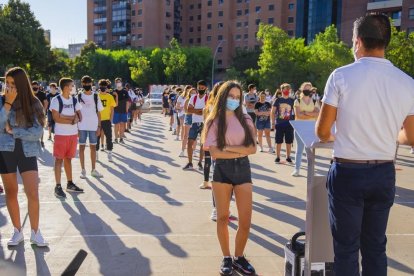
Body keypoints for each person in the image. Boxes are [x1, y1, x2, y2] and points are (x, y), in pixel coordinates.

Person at [316, 14, 414, 276]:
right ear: (386, 42)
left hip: (348, 172)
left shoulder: (341, 76)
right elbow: (411, 137)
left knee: (346, 249)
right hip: (383, 172)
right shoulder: (407, 83)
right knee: (375, 247)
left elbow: (322, 131)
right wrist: (386, 134)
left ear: (357, 42)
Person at [202, 80, 257, 276]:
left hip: (243, 170)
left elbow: (253, 149)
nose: (234, 100)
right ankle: (226, 257)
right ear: (223, 97)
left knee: (245, 221)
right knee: (223, 218)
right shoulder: (213, 121)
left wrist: (229, 147)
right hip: (222, 171)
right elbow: (215, 153)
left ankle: (239, 257)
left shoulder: (246, 118)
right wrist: (239, 151)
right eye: (231, 96)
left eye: (237, 97)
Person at [0, 67, 48, 247]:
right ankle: (17, 231)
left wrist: (14, 131)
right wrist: (8, 104)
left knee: (32, 192)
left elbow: (37, 132)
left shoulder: (33, 102)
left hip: (27, 152)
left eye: (13, 84)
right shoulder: (1, 101)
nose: (9, 87)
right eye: (7, 83)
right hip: (5, 152)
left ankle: (35, 232)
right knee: (11, 192)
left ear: (21, 84)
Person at [50, 77, 84, 198]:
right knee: (59, 160)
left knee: (68, 159)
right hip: (61, 135)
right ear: (65, 87)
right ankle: (58, 186)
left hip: (73, 135)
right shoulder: (56, 100)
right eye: (71, 85)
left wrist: (66, 116)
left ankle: (69, 183)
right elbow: (56, 118)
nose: (73, 87)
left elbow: (80, 116)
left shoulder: (74, 100)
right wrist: (71, 119)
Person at [77, 76, 104, 178]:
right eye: (85, 83)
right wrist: (77, 128)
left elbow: (99, 113)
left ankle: (93, 170)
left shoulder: (96, 96)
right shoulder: (78, 96)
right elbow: (76, 113)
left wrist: (99, 127)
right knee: (82, 148)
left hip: (93, 126)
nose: (87, 85)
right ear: (82, 84)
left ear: (91, 84)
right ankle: (83, 170)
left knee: (93, 148)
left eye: (89, 83)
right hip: (81, 126)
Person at [291, 82, 320, 176]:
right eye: (306, 88)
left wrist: (305, 113)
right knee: (299, 149)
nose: (307, 90)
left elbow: (318, 114)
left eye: (309, 88)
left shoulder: (315, 101)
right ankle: (297, 169)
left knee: (310, 150)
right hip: (299, 127)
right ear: (302, 89)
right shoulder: (297, 101)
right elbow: (298, 115)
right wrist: (311, 114)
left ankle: (311, 170)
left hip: (311, 127)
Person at [183, 80, 208, 170]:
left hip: (204, 124)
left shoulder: (208, 98)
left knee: (202, 144)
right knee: (189, 143)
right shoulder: (193, 97)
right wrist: (200, 110)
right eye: (199, 87)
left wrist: (195, 110)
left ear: (206, 88)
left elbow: (205, 112)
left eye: (202, 88)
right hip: (194, 123)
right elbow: (188, 110)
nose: (200, 89)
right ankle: (190, 163)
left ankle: (200, 162)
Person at [271, 83, 295, 163]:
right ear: (281, 90)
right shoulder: (278, 100)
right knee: (278, 141)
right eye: (285, 89)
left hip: (289, 124)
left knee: (289, 141)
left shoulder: (292, 100)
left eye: (288, 89)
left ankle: (288, 157)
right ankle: (278, 157)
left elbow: (295, 112)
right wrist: (273, 123)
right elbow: (273, 112)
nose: (286, 91)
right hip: (279, 124)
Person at [96, 79, 116, 162]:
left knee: (109, 137)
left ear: (106, 87)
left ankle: (110, 153)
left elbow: (112, 110)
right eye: (101, 86)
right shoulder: (96, 96)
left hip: (107, 120)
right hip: (97, 121)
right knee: (97, 137)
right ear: (99, 87)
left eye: (104, 86)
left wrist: (111, 120)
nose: (103, 88)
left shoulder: (110, 96)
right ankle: (96, 153)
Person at [179, 87, 196, 157]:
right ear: (189, 93)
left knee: (194, 136)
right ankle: (182, 151)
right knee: (186, 135)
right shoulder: (187, 100)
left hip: (196, 118)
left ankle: (194, 151)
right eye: (192, 93)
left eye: (195, 93)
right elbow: (186, 110)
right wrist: (194, 111)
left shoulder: (198, 101)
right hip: (188, 117)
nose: (193, 94)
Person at [112, 78, 129, 144]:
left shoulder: (125, 92)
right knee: (116, 125)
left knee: (122, 125)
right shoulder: (114, 92)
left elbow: (127, 102)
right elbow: (112, 103)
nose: (118, 83)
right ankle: (116, 138)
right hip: (116, 111)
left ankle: (121, 138)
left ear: (121, 83)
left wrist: (127, 110)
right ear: (115, 83)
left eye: (119, 82)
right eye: (117, 82)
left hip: (123, 111)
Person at [32, 81, 47, 147]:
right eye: (33, 86)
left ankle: (41, 141)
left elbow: (46, 102)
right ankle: (33, 140)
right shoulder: (30, 93)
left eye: (36, 86)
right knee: (32, 127)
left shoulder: (42, 94)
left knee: (41, 127)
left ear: (38, 86)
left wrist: (43, 111)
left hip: (40, 113)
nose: (35, 87)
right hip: (31, 113)